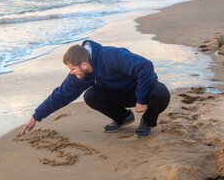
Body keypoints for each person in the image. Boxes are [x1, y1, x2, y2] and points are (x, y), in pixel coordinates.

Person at [21, 40, 170, 137]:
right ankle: (123, 117)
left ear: (84, 64)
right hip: (121, 95)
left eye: (73, 69)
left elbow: (145, 66)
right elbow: (61, 95)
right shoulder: (81, 75)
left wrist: (142, 98)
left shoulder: (110, 56)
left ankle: (148, 121)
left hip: (142, 89)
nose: (71, 73)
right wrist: (36, 116)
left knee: (161, 94)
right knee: (90, 96)